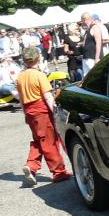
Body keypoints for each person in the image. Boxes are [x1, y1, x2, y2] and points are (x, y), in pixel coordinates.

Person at [17, 47, 71, 186]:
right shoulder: (39, 75)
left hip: (29, 111)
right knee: (50, 141)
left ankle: (31, 166)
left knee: (38, 139)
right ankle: (59, 172)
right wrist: (55, 110)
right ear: (38, 59)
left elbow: (22, 100)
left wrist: (25, 114)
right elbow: (47, 96)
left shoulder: (21, 77)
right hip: (41, 111)